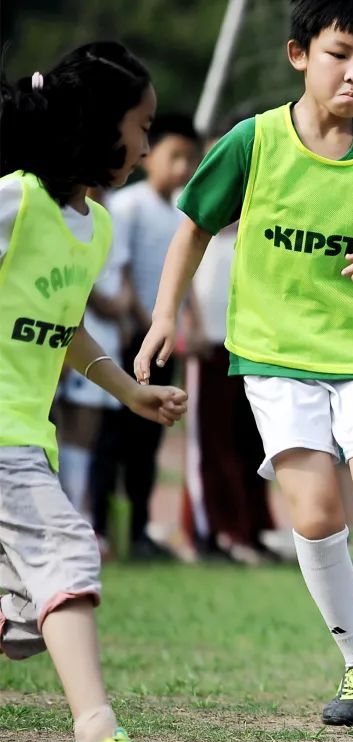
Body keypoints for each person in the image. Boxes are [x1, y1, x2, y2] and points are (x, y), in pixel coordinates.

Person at [135, 0, 353, 725]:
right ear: (298, 54)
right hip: (275, 359)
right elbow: (192, 227)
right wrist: (165, 315)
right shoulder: (253, 142)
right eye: (341, 54)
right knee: (313, 517)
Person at [0, 42, 187, 742]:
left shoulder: (95, 227)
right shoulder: (14, 200)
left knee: (19, 620)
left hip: (26, 440)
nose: (146, 142)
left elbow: (65, 327)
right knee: (70, 551)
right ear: (95, 126)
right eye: (140, 126)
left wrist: (126, 390)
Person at [88, 114, 200, 558]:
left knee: (148, 440)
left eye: (190, 158)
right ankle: (100, 527)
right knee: (113, 436)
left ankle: (137, 528)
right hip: (132, 335)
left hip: (162, 337)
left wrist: (181, 320)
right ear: (151, 154)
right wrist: (142, 319)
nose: (183, 166)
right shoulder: (129, 204)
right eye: (175, 155)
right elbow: (125, 269)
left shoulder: (180, 210)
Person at [181, 130, 276, 564]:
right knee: (212, 440)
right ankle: (211, 531)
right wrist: (189, 326)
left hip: (254, 345)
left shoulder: (268, 207)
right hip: (210, 345)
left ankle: (253, 528)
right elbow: (180, 279)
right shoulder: (194, 212)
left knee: (255, 442)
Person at [53, 186, 133, 526]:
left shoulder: (106, 213)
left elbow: (121, 269)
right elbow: (75, 281)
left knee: (89, 429)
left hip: (101, 338)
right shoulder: (51, 206)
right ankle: (71, 513)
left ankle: (78, 514)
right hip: (70, 336)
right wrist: (109, 306)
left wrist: (123, 308)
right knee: (69, 425)